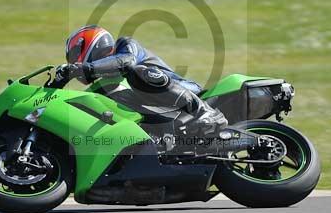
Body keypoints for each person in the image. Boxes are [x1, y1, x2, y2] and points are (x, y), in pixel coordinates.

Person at [55, 25, 227, 135]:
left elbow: (126, 62)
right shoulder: (108, 81)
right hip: (161, 111)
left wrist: (88, 68)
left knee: (136, 72)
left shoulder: (124, 45)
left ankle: (204, 112)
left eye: (76, 55)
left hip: (185, 89)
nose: (75, 62)